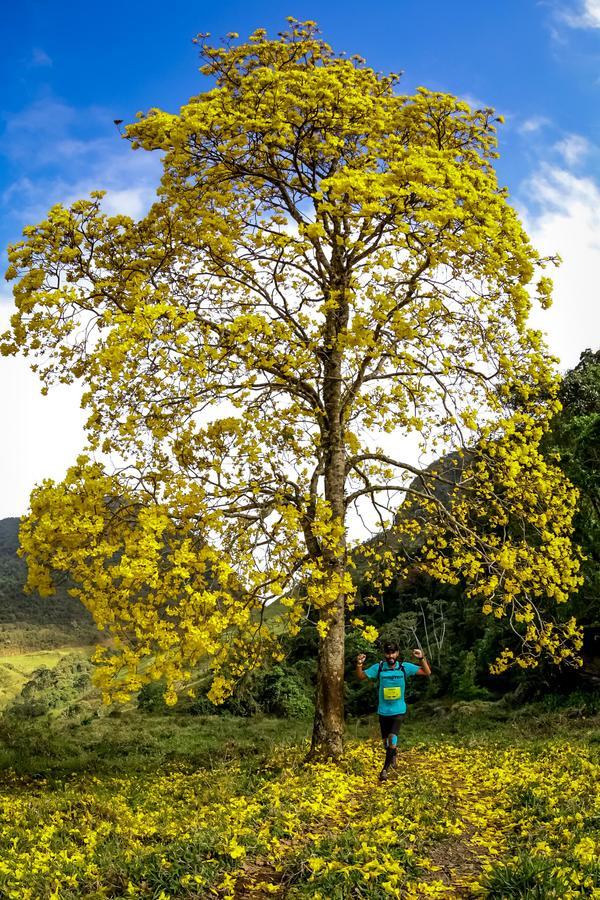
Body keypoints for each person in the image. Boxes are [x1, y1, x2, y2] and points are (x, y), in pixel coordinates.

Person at [356, 641, 431, 781]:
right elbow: (361, 677)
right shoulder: (379, 667)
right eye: (388, 653)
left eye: (393, 653)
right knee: (386, 742)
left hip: (398, 710)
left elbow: (427, 672)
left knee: (392, 737)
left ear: (397, 653)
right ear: (385, 654)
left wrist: (422, 658)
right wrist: (359, 663)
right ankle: (393, 754)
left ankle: (384, 770)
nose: (390, 655)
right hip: (383, 711)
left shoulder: (404, 667)